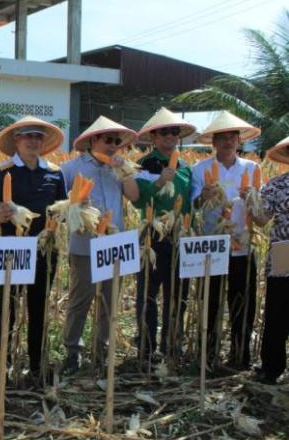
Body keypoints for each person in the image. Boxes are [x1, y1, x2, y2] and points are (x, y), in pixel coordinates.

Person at [0, 116, 66, 385]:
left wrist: (74, 209)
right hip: (13, 249)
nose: (33, 141)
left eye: (38, 136)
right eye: (28, 136)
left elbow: (61, 211)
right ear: (17, 140)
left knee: (39, 307)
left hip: (44, 250)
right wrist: (1, 215)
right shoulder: (2, 171)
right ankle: (1, 366)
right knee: (7, 308)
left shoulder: (55, 173)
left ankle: (37, 364)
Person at [60, 116, 139, 375]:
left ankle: (101, 350)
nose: (113, 145)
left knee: (109, 300)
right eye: (108, 140)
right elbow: (59, 207)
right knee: (80, 299)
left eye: (117, 141)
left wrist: (125, 171)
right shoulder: (71, 168)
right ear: (94, 140)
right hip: (85, 244)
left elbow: (134, 196)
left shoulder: (119, 169)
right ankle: (72, 351)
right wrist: (77, 208)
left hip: (115, 244)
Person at [191, 111, 261, 369]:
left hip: (243, 244)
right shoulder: (200, 169)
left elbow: (260, 209)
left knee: (242, 301)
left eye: (233, 137)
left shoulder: (252, 169)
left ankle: (240, 355)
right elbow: (193, 207)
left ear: (239, 141)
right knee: (209, 301)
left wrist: (252, 199)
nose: (228, 142)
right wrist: (204, 197)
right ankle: (208, 355)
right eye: (222, 137)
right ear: (214, 142)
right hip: (211, 244)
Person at [132, 108, 196, 362]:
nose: (170, 136)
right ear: (154, 137)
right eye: (164, 132)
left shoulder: (186, 167)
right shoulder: (144, 164)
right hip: (152, 235)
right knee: (147, 293)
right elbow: (138, 201)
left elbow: (190, 203)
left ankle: (172, 345)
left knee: (178, 295)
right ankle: (146, 348)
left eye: (174, 132)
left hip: (180, 236)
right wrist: (159, 181)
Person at [250, 136, 289, 384]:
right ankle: (272, 367)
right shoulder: (276, 185)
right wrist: (250, 201)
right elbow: (262, 219)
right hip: (284, 251)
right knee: (277, 309)